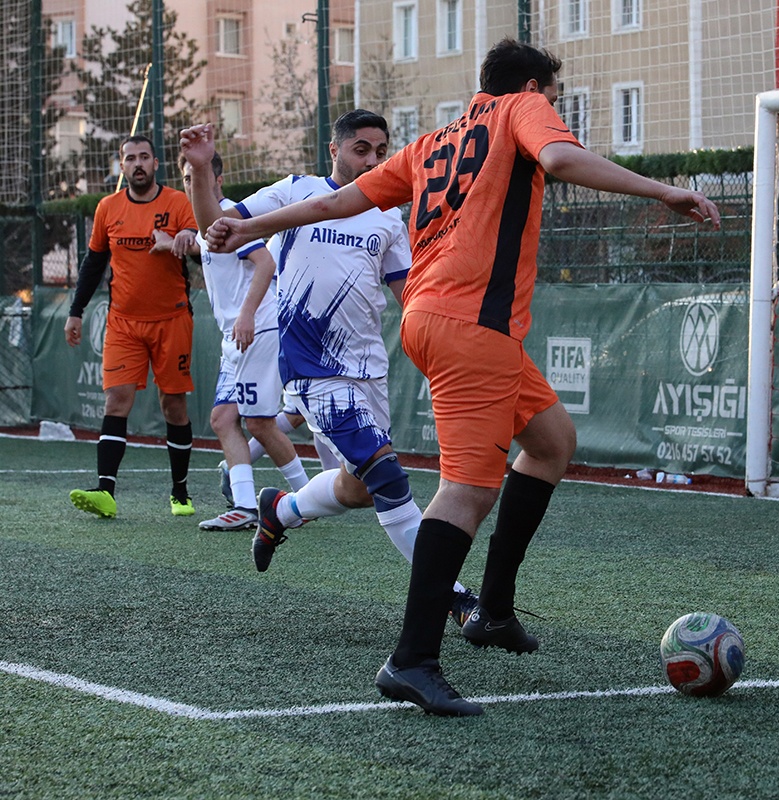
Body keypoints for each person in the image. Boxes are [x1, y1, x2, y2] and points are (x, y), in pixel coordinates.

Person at [198, 38, 721, 716]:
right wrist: (664, 189)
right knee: (466, 493)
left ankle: (493, 611)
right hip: (472, 327)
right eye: (553, 98)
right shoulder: (521, 110)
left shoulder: (433, 142)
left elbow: (336, 203)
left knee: (551, 442)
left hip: (437, 318)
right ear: (529, 89)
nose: (554, 110)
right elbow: (560, 158)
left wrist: (251, 228)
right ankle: (411, 660)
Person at [179, 110, 476, 616]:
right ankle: (453, 597)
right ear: (334, 149)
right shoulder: (296, 191)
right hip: (312, 369)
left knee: (359, 488)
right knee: (388, 478)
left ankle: (281, 509)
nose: (373, 160)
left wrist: (445, 342)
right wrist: (202, 169)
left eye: (381, 151)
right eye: (362, 149)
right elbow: (215, 230)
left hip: (369, 370)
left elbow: (407, 295)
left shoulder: (388, 214)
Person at [65, 135, 200, 519]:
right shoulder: (108, 208)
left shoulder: (177, 203)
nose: (137, 164)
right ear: (121, 165)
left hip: (172, 320)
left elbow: (201, 250)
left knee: (173, 405)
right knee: (116, 400)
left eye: (144, 157)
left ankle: (180, 493)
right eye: (130, 158)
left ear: (156, 164)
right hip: (123, 323)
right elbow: (94, 263)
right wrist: (76, 311)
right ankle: (105, 491)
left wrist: (181, 239)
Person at [177, 151, 311, 531]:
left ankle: (306, 501)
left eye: (199, 177)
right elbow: (209, 252)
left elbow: (265, 263)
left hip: (257, 328)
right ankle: (246, 507)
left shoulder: (227, 216)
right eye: (187, 178)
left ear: (218, 180)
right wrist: (181, 238)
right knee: (223, 419)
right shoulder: (206, 226)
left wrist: (248, 314)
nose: (193, 184)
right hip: (235, 337)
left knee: (260, 422)